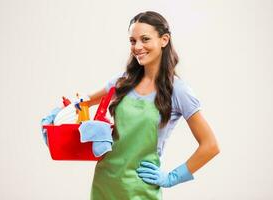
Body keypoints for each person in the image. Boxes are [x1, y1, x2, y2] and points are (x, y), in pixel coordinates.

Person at [42, 11, 220, 200]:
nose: (137, 47)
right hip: (105, 183)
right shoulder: (122, 82)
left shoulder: (178, 91)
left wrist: (171, 178)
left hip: (140, 189)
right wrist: (60, 114)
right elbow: (82, 103)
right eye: (133, 41)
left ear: (164, 40)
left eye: (145, 39)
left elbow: (210, 145)